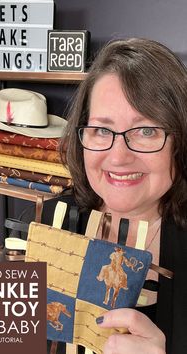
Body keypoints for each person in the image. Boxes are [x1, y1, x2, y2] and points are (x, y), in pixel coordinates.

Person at [12, 38, 187, 354]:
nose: (118, 157)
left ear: (180, 141)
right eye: (102, 130)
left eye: (146, 131)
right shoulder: (44, 223)